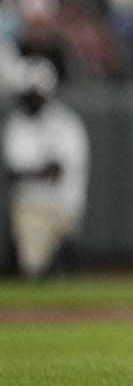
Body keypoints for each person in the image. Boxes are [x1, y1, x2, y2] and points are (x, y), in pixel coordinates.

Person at [2, 57, 90, 278]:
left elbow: (59, 171)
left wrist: (37, 171)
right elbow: (15, 173)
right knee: (32, 267)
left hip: (64, 206)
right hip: (30, 207)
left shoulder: (67, 123)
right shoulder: (16, 125)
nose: (32, 97)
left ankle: (63, 252)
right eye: (28, 92)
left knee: (42, 257)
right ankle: (58, 258)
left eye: (36, 92)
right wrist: (42, 169)